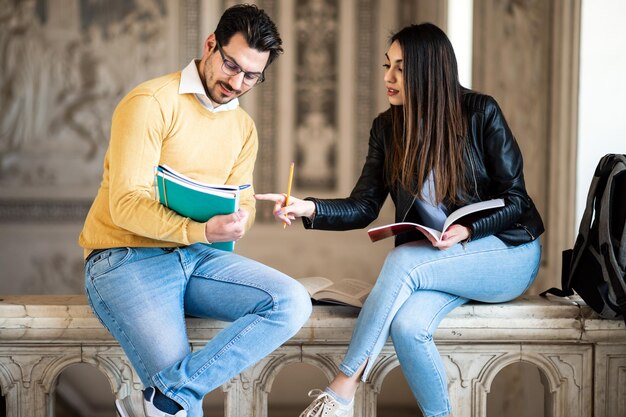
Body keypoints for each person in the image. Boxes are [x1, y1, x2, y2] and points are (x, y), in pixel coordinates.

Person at [255, 22, 544, 417]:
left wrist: (468, 229)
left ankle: (340, 392)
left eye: (401, 68)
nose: (388, 77)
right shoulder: (387, 128)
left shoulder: (481, 112)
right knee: (408, 327)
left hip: (507, 253)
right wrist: (308, 207)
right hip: (442, 263)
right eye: (386, 65)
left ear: (429, 71)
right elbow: (363, 207)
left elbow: (517, 200)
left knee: (403, 259)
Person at [79, 5, 312, 417]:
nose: (237, 82)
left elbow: (242, 200)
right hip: (125, 258)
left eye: (251, 76)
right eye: (231, 65)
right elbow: (126, 204)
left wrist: (239, 222)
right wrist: (202, 230)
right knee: (189, 412)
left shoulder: (243, 129)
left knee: (292, 301)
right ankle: (173, 400)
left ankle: (164, 396)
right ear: (210, 45)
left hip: (197, 258)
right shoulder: (150, 102)